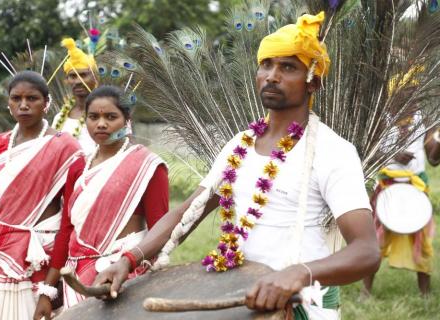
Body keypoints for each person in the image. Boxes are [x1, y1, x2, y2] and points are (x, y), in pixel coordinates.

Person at [94, 12, 380, 319]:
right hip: (235, 299)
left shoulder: (333, 151)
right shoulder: (240, 144)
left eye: (288, 67)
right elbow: (187, 212)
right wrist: (128, 259)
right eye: (266, 65)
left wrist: (300, 273)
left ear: (313, 82)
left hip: (298, 306)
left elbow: (366, 251)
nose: (272, 76)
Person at [33, 85, 169, 319]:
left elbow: (160, 230)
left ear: (127, 119)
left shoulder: (146, 166)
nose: (101, 124)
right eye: (93, 117)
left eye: (111, 117)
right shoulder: (78, 166)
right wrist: (47, 291)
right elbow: (66, 231)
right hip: (76, 281)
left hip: (125, 278)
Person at [0, 71, 81, 320]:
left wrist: (53, 283)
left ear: (47, 103)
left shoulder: (66, 147)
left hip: (40, 257)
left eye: (32, 98)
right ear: (8, 103)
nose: (24, 105)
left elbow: (70, 220)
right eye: (16, 98)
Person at [363, 82, 435, 296]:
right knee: (376, 240)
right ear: (394, 94)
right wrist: (393, 155)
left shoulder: (425, 118)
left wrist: (437, 139)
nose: (413, 100)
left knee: (421, 242)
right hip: (387, 187)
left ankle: (425, 293)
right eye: (407, 94)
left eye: (415, 94)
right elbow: (367, 152)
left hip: (416, 188)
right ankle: (365, 292)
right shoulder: (380, 118)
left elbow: (433, 159)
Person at [51, 38, 98, 154]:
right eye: (73, 76)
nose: (78, 81)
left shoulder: (107, 113)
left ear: (95, 77)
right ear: (66, 80)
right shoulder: (59, 118)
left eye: (83, 75)